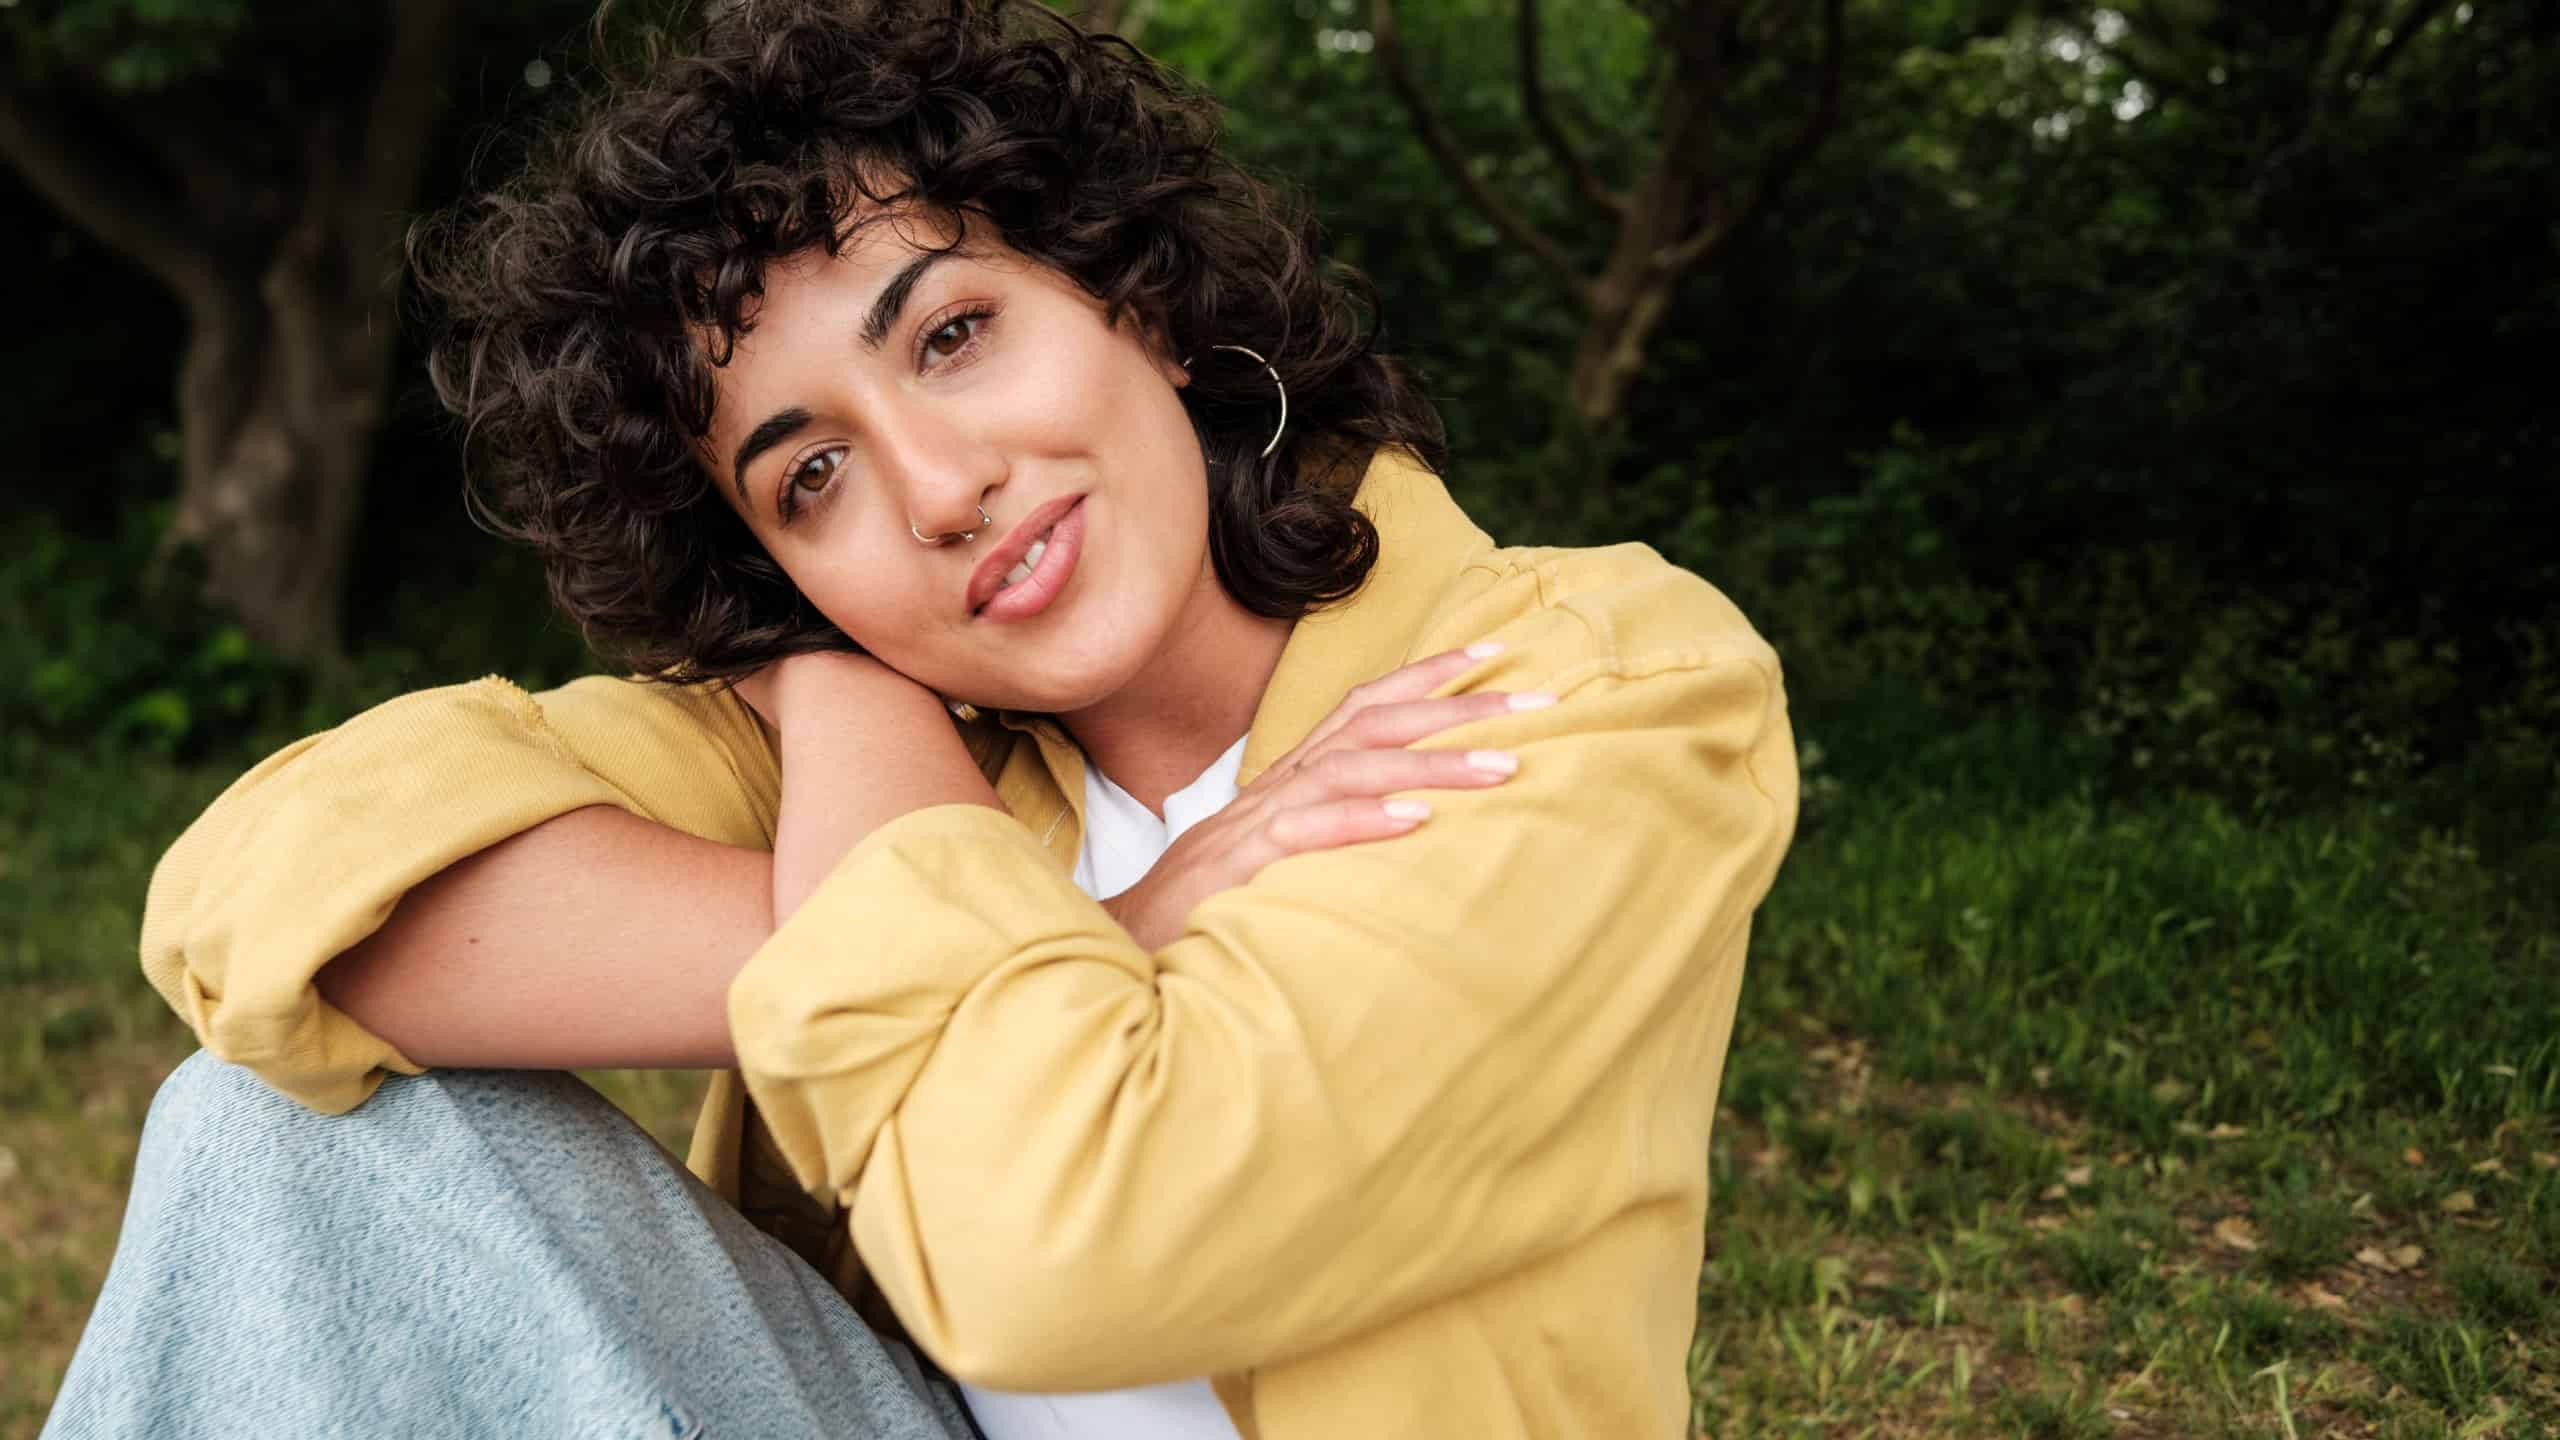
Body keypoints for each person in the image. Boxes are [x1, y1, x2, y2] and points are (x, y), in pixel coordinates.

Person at [43, 2, 1799, 1437]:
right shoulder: (887, 743)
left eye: (953, 333)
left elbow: (1061, 1250)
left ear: (1140, 301)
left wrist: (898, 925)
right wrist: (1059, 892)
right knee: (261, 1130)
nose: (942, 490)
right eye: (809, 476)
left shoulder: (1587, 686)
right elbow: (266, 895)